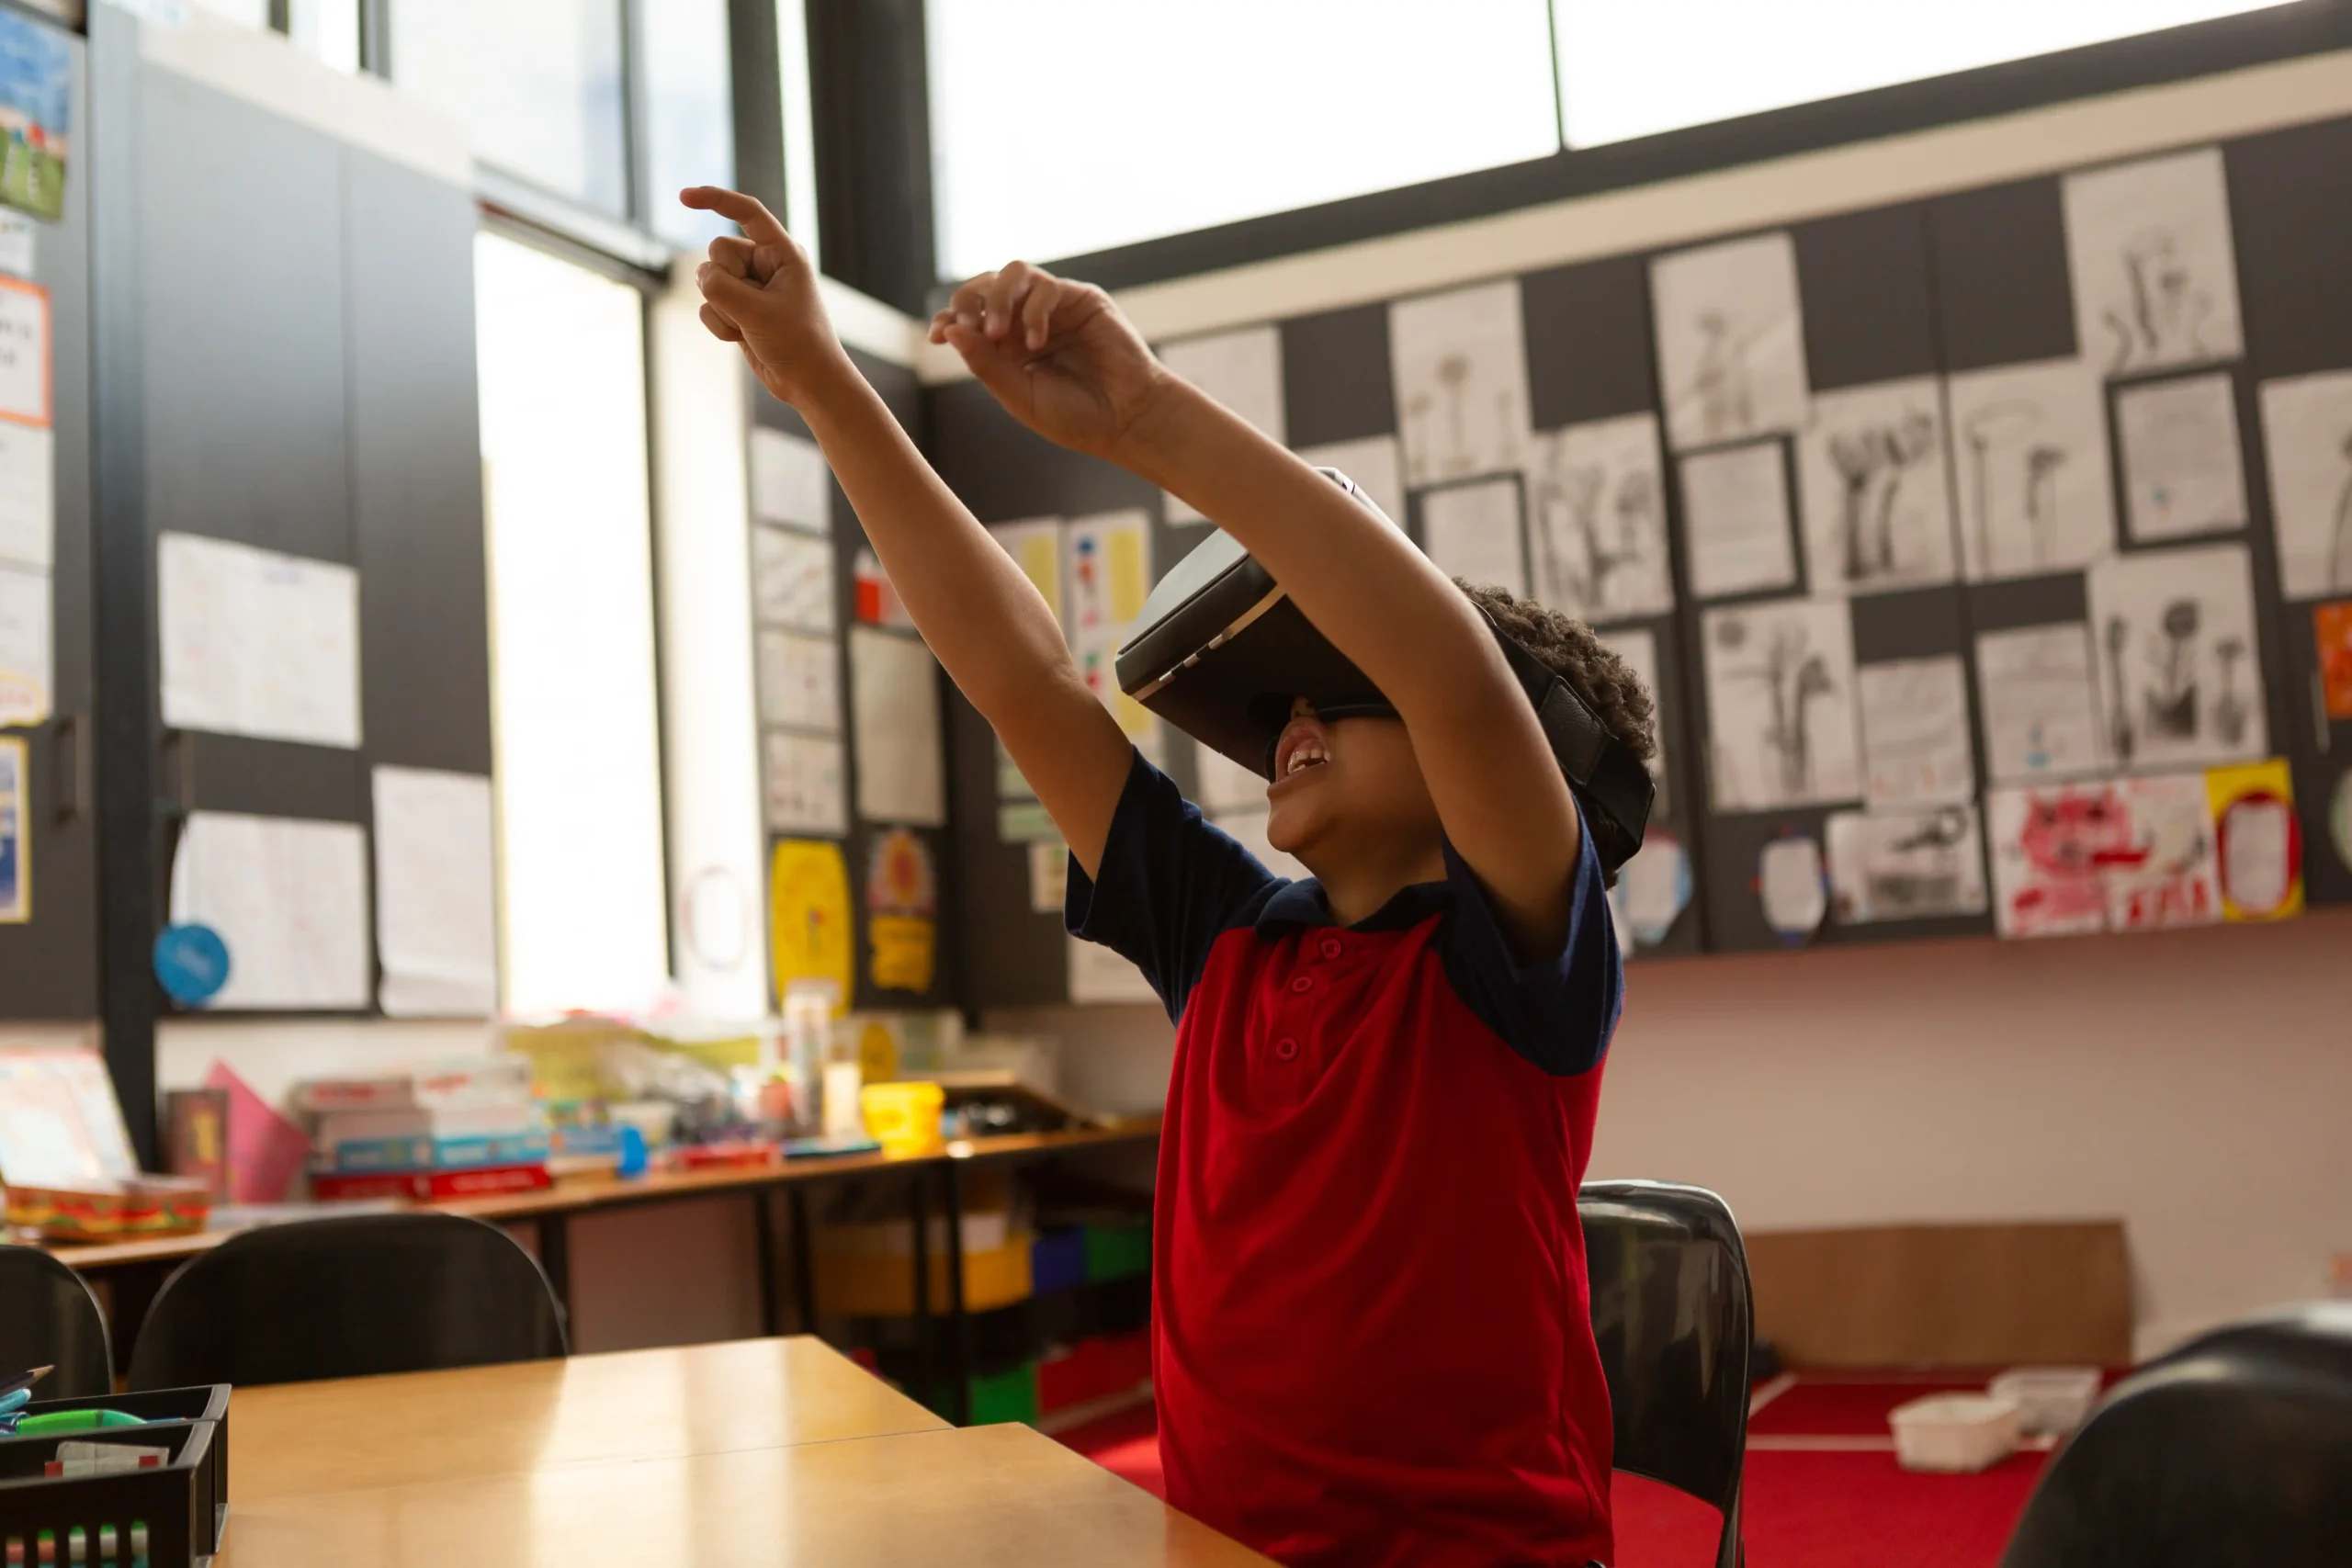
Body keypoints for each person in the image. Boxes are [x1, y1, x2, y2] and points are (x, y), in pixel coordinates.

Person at [683, 185, 1656, 1568]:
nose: (1291, 724)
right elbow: (1021, 673)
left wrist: (1145, 420)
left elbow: (1451, 673)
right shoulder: (1230, 937)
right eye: (1283, 705)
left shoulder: (1516, 962)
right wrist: (828, 384)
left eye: (1340, 691)